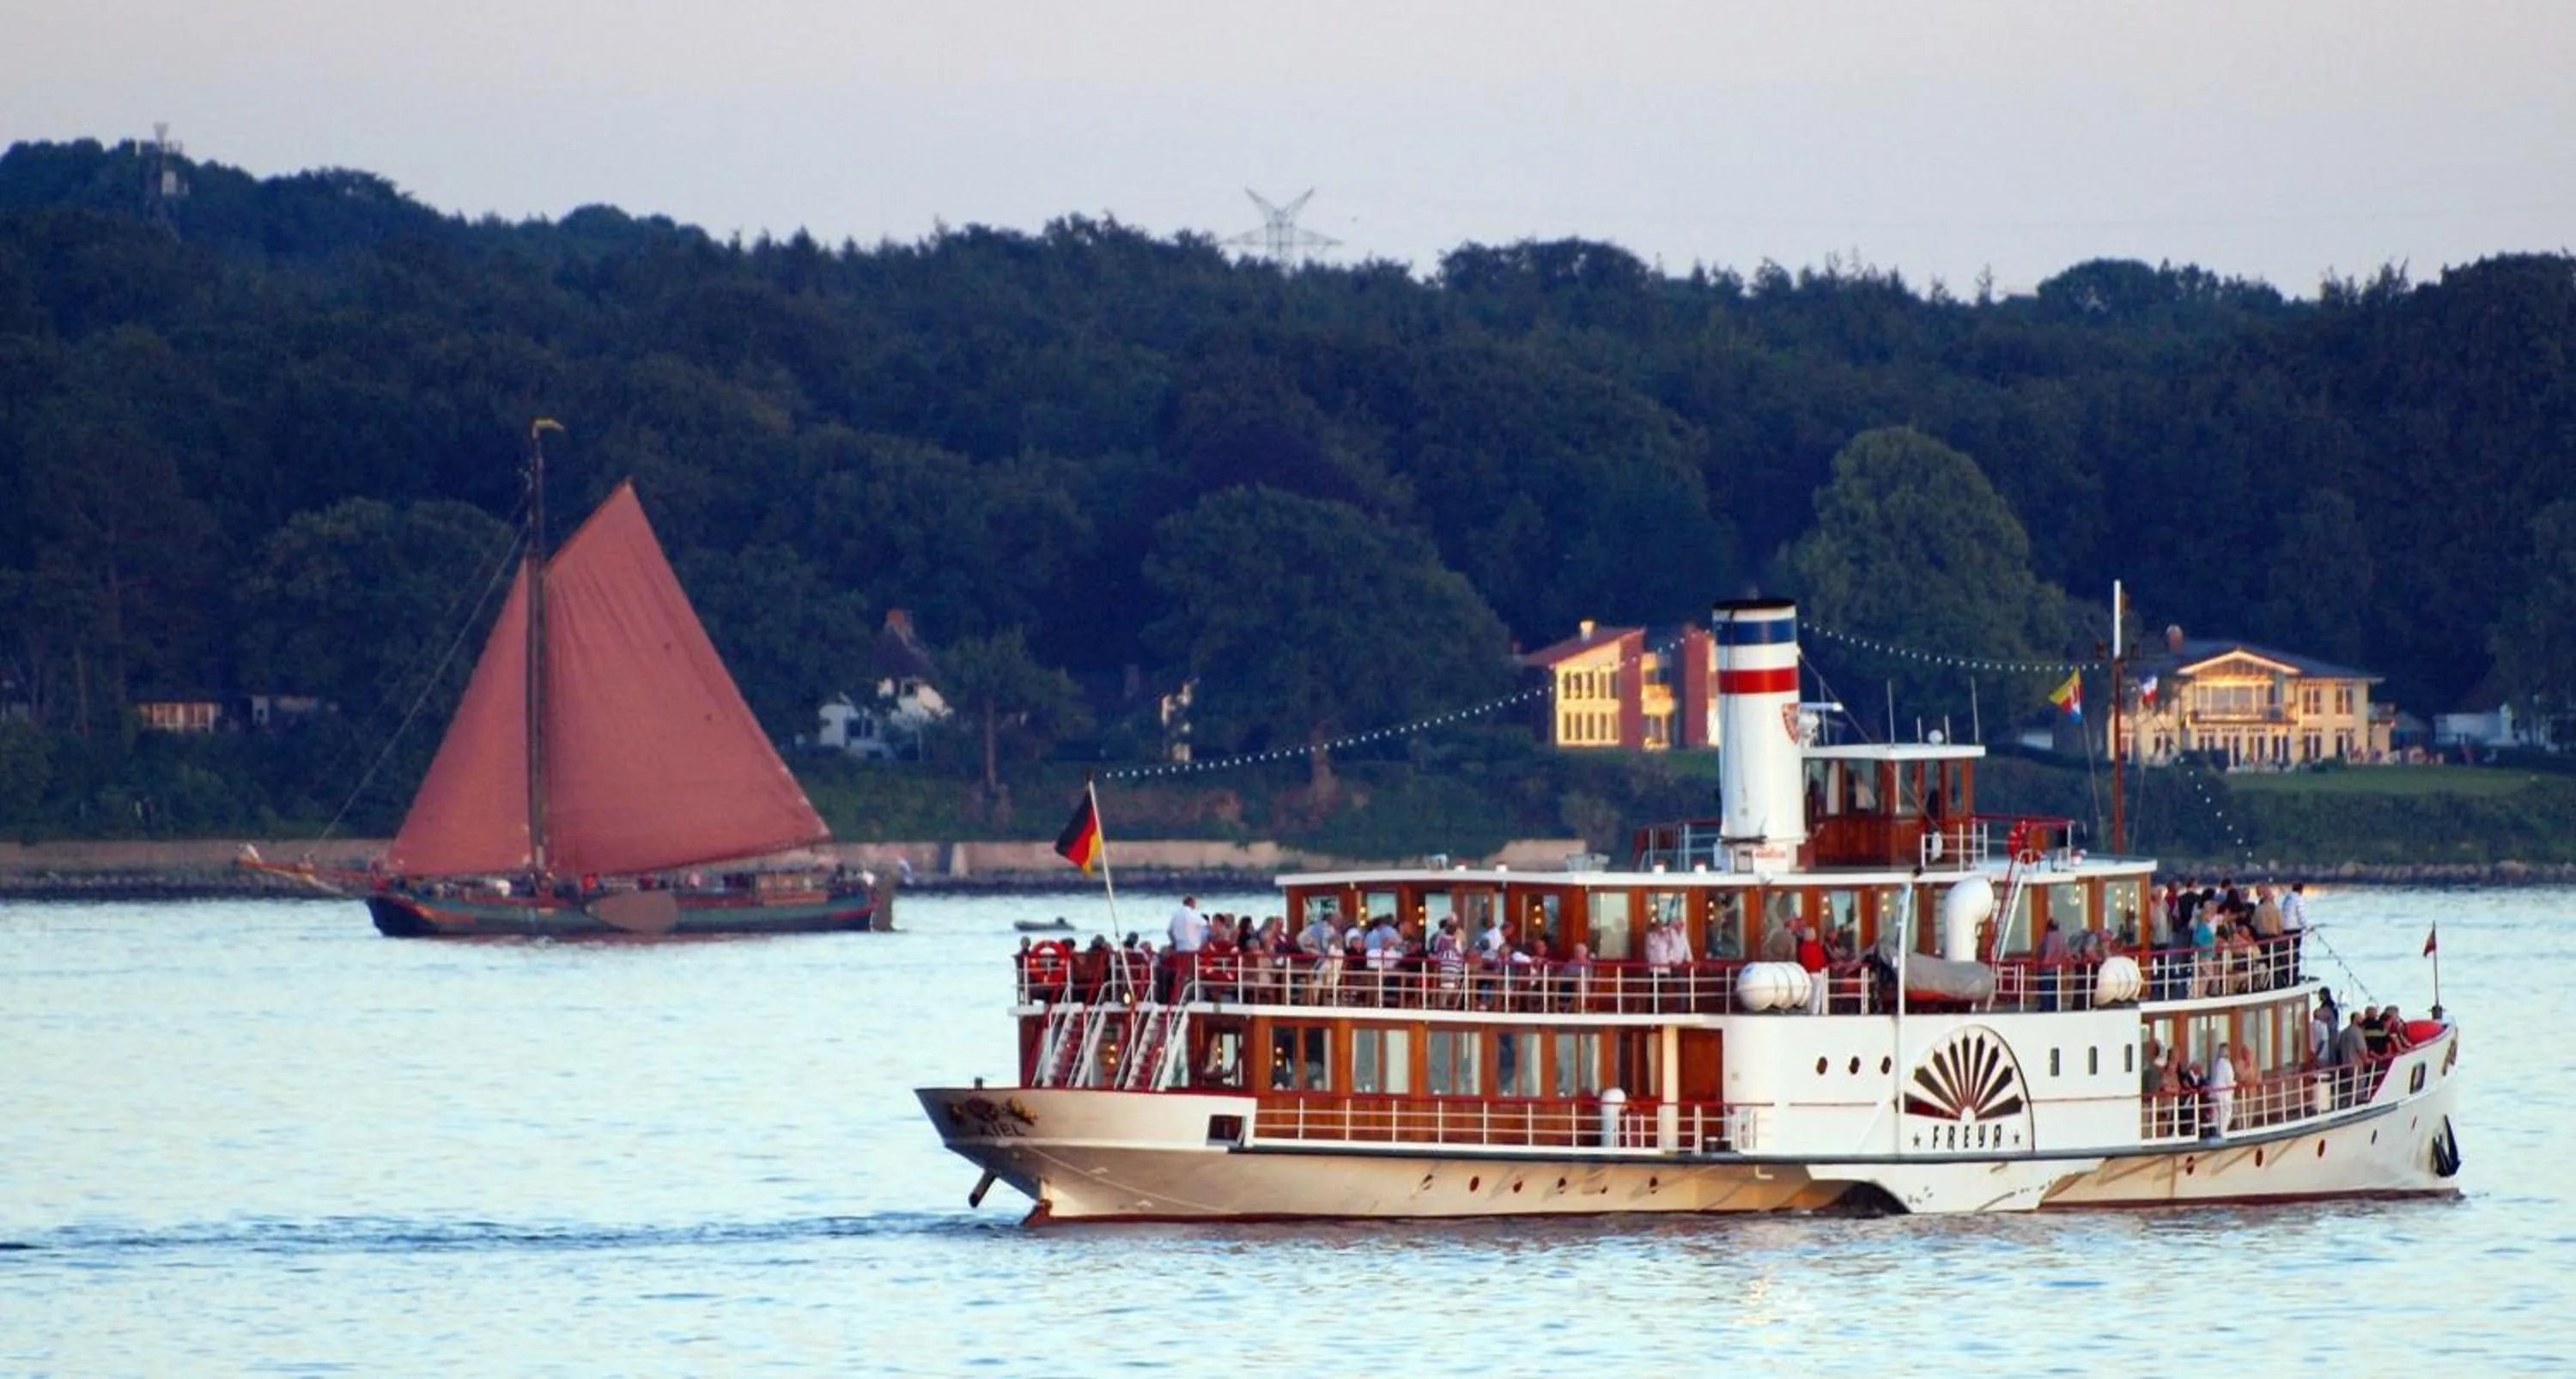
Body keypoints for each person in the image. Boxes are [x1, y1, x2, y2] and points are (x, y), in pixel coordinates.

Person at [1795, 921, 1831, 1015]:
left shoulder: (1802, 947)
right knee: (1817, 994)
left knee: (1809, 993)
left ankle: (1808, 1010)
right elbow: (1822, 960)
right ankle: (1814, 1012)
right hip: (1817, 973)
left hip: (1806, 973)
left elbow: (1801, 960)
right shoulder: (1816, 946)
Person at [2207, 1042, 2236, 1137]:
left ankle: (2214, 1132)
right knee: (2226, 1112)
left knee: (2216, 1114)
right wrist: (2235, 1084)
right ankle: (2222, 1133)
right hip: (2223, 1094)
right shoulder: (2226, 1064)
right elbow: (2229, 1081)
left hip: (2214, 1092)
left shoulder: (2215, 1063)